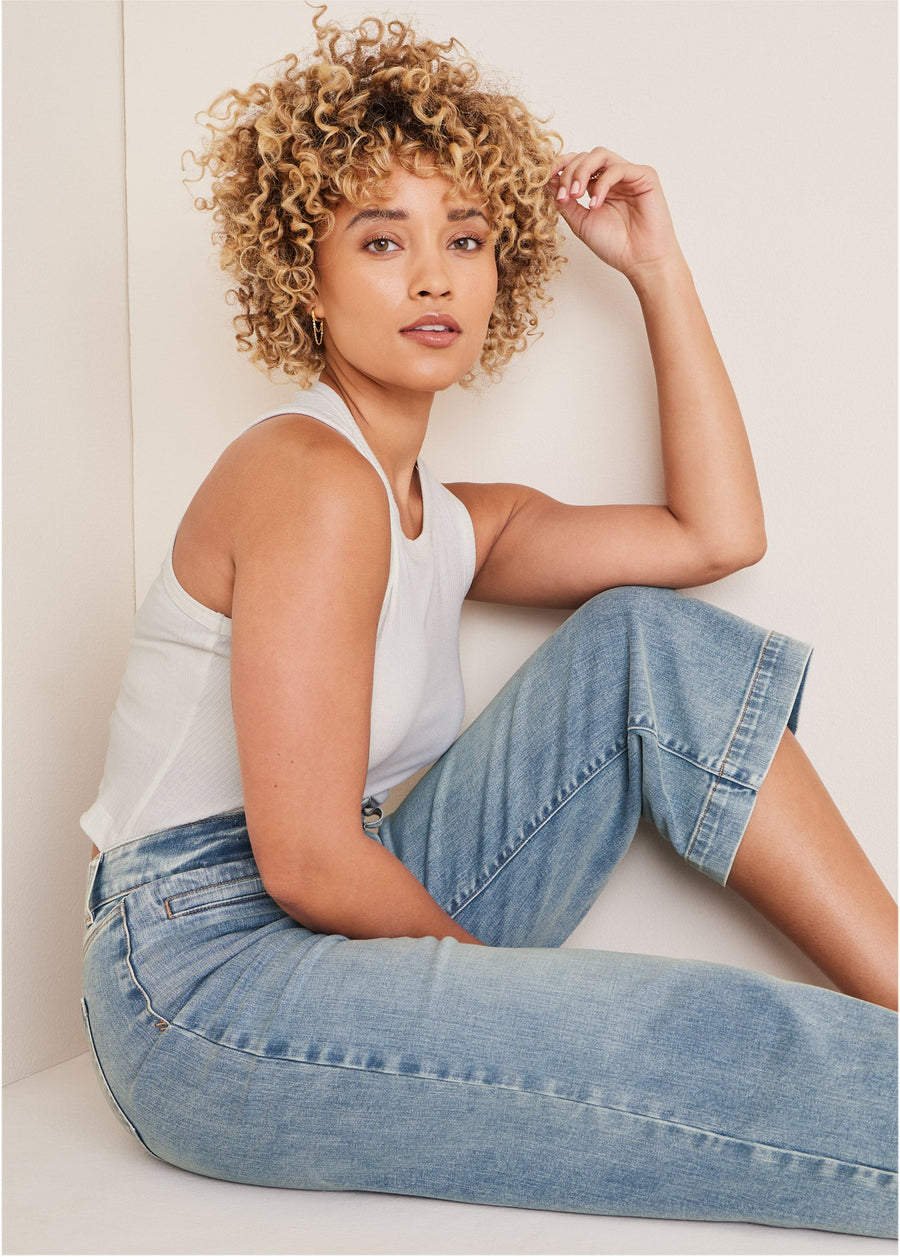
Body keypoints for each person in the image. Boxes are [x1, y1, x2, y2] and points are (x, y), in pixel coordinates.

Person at [81, 9, 897, 1238]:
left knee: (642, 640)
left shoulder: (443, 516)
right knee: (686, 1032)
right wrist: (505, 1015)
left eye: (464, 238)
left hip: (329, 917)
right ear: (303, 276)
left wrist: (655, 269)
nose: (433, 276)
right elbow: (303, 860)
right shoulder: (307, 475)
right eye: (381, 239)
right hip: (201, 985)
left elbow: (715, 536)